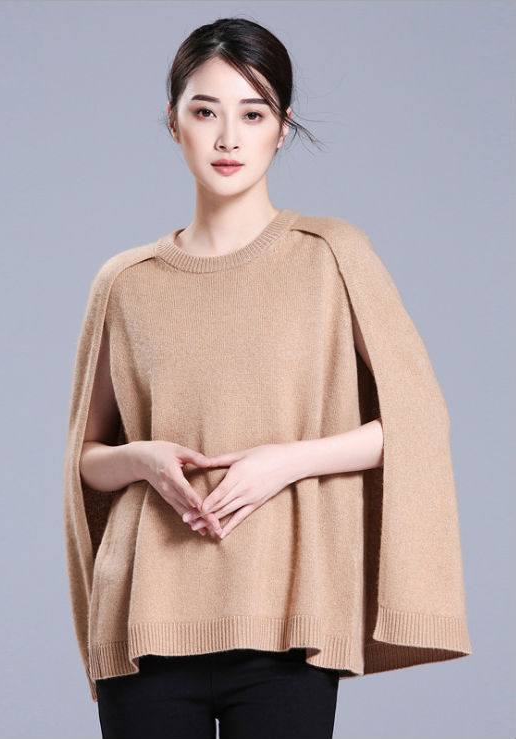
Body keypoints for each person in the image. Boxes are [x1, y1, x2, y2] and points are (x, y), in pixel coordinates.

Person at [63, 15, 472, 739]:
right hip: (146, 617)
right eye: (205, 112)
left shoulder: (332, 254)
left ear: (281, 128)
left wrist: (286, 462)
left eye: (252, 114)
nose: (228, 137)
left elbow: (417, 421)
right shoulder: (125, 281)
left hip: (288, 618)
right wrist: (144, 459)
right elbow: (87, 457)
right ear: (173, 123)